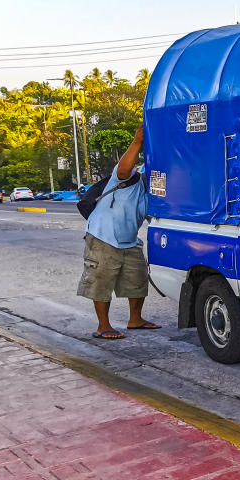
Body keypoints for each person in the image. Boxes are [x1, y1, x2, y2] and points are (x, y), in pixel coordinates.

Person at [77, 124, 159, 339]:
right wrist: (137, 142)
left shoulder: (150, 196)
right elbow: (123, 169)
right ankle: (103, 326)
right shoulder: (126, 178)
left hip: (129, 241)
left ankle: (135, 319)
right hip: (102, 237)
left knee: (138, 279)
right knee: (102, 281)